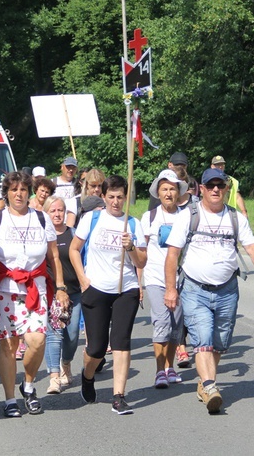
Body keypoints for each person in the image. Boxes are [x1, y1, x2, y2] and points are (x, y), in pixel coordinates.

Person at [164, 168, 254, 414]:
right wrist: (171, 289)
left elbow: (252, 246)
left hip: (227, 290)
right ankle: (211, 386)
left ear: (226, 189)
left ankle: (204, 381)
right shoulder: (188, 216)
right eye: (210, 185)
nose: (215, 189)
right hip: (194, 288)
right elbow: (172, 255)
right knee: (202, 338)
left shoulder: (235, 218)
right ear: (201, 188)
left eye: (219, 185)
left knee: (220, 343)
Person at [0, 171, 66, 418]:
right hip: (6, 289)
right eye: (13, 190)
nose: (18, 194)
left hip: (36, 287)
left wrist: (62, 287)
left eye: (23, 189)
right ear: (7, 193)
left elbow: (54, 256)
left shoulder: (42, 218)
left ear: (29, 192)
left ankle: (28, 385)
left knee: (37, 340)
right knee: (9, 346)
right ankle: (10, 398)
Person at [69, 175, 147, 415]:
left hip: (126, 288)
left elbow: (142, 260)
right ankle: (87, 375)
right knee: (97, 348)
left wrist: (131, 247)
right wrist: (83, 279)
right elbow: (74, 249)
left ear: (126, 198)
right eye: (111, 197)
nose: (116, 202)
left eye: (120, 197)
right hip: (96, 288)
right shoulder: (92, 219)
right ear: (103, 196)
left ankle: (118, 396)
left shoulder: (132, 224)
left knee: (121, 341)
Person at [140, 170, 188, 388]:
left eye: (172, 189)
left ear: (179, 192)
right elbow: (140, 252)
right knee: (162, 322)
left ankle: (169, 367)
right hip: (155, 277)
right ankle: (159, 371)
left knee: (177, 326)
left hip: (182, 280)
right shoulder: (149, 217)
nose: (169, 193)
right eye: (164, 189)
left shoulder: (186, 216)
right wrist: (139, 283)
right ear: (158, 193)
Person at [43, 196, 82, 394]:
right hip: (51, 294)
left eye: (60, 211)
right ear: (46, 213)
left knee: (72, 335)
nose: (57, 214)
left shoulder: (74, 234)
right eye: (53, 211)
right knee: (54, 334)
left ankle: (66, 363)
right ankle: (54, 377)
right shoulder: (42, 235)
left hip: (75, 293)